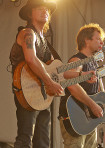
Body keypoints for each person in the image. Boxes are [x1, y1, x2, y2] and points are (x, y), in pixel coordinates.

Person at [9, 0, 64, 147]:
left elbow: (56, 69)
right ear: (29, 13)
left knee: (43, 142)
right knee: (25, 139)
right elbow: (31, 59)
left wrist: (82, 72)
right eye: (39, 8)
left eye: (46, 9)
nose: (45, 10)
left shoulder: (44, 41)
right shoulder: (27, 33)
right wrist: (50, 83)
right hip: (27, 92)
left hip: (43, 94)